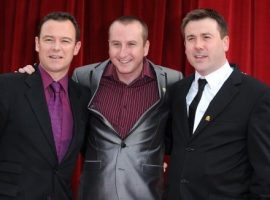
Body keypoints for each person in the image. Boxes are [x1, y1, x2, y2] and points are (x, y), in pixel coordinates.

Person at [166, 8, 270, 199]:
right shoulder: (177, 90)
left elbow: (265, 173)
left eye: (206, 37)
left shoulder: (257, 95)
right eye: (191, 38)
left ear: (225, 43)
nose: (198, 45)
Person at [0, 12, 90, 199]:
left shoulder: (82, 97)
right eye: (49, 39)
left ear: (76, 47)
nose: (56, 48)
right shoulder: (7, 87)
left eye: (65, 41)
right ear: (37, 43)